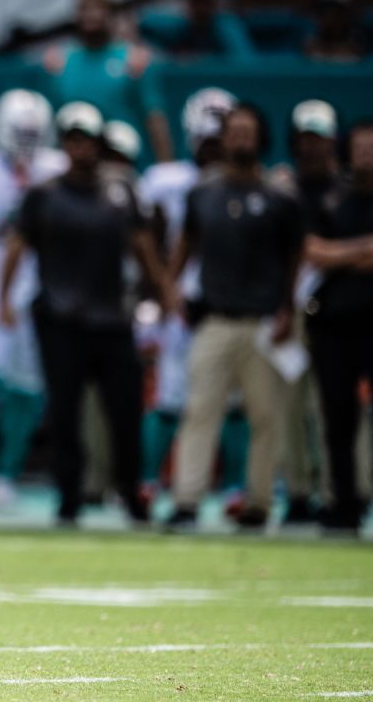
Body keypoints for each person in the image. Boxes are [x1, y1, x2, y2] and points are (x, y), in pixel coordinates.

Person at [0, 102, 173, 526]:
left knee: (125, 412)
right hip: (60, 320)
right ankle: (70, 498)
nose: (80, 147)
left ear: (98, 143)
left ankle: (131, 494)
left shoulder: (121, 188)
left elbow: (144, 247)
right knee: (64, 412)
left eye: (87, 139)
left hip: (113, 318)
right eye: (73, 139)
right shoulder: (44, 193)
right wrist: (3, 298)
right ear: (64, 143)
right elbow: (17, 247)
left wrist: (164, 293)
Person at [166, 104, 306, 531]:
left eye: (249, 131)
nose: (241, 139)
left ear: (261, 139)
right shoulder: (202, 194)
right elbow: (184, 245)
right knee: (199, 410)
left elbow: (295, 259)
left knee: (266, 417)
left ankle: (258, 502)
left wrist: (288, 310)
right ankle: (187, 500)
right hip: (215, 318)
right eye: (234, 131)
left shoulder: (280, 198)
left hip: (263, 321)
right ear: (223, 139)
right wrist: (170, 291)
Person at [136, 87, 249, 509]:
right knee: (169, 397)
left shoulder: (249, 183)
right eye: (207, 139)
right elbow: (148, 241)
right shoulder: (167, 182)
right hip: (182, 301)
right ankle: (148, 481)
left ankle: (235, 486)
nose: (213, 148)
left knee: (234, 402)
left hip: (232, 302)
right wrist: (161, 293)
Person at [0, 89, 66, 508]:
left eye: (33, 133)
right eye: (19, 131)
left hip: (37, 278)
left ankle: (6, 472)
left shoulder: (56, 167)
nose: (25, 141)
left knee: (26, 384)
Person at [273, 99, 343, 523]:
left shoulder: (349, 190)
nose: (312, 146)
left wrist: (329, 254)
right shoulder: (283, 190)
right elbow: (300, 250)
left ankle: (339, 492)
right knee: (288, 406)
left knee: (332, 409)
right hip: (290, 309)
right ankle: (298, 493)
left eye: (319, 137)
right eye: (305, 138)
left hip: (338, 313)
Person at [302, 121, 373, 533]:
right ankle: (343, 502)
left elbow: (331, 253)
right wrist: (365, 248)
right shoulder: (330, 196)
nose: (366, 154)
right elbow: (314, 252)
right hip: (334, 323)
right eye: (361, 147)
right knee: (337, 417)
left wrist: (340, 253)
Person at [43, 0, 173, 162]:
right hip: (75, 167)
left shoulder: (133, 60)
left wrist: (166, 165)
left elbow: (154, 117)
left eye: (97, 9)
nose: (91, 15)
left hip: (125, 163)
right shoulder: (61, 62)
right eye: (85, 9)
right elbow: (50, 120)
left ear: (110, 16)